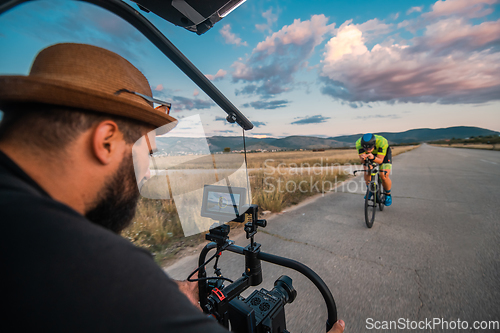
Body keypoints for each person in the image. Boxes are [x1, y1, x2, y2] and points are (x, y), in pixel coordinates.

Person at [0, 43, 345, 333]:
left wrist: (164, 293)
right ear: (106, 141)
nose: (147, 173)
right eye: (147, 152)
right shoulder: (90, 268)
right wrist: (151, 295)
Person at [356, 133, 393, 206]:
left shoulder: (382, 141)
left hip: (383, 155)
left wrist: (373, 158)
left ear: (374, 144)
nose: (368, 150)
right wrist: (363, 159)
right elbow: (362, 161)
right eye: (366, 148)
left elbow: (380, 161)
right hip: (370, 156)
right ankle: (370, 189)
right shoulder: (358, 143)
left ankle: (387, 194)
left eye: (370, 148)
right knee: (367, 170)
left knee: (383, 175)